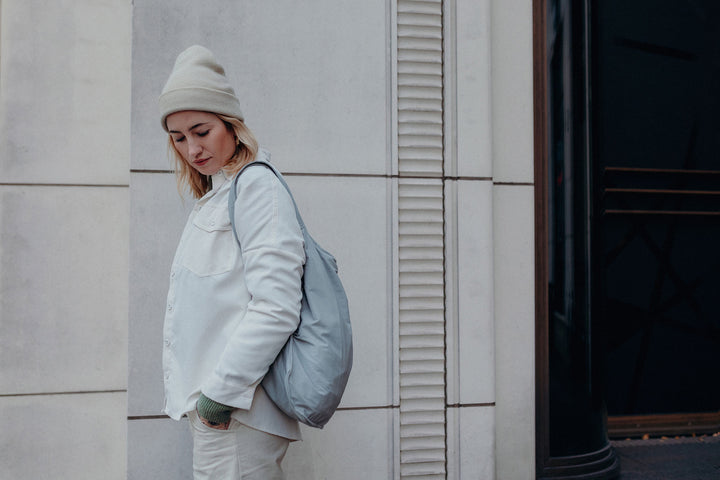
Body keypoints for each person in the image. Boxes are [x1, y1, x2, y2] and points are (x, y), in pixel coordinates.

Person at [158, 45, 305, 480]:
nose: (192, 148)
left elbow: (277, 305)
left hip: (235, 412)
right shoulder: (216, 197)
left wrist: (216, 398)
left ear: (231, 125)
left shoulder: (256, 188)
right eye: (179, 137)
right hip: (221, 413)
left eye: (201, 130)